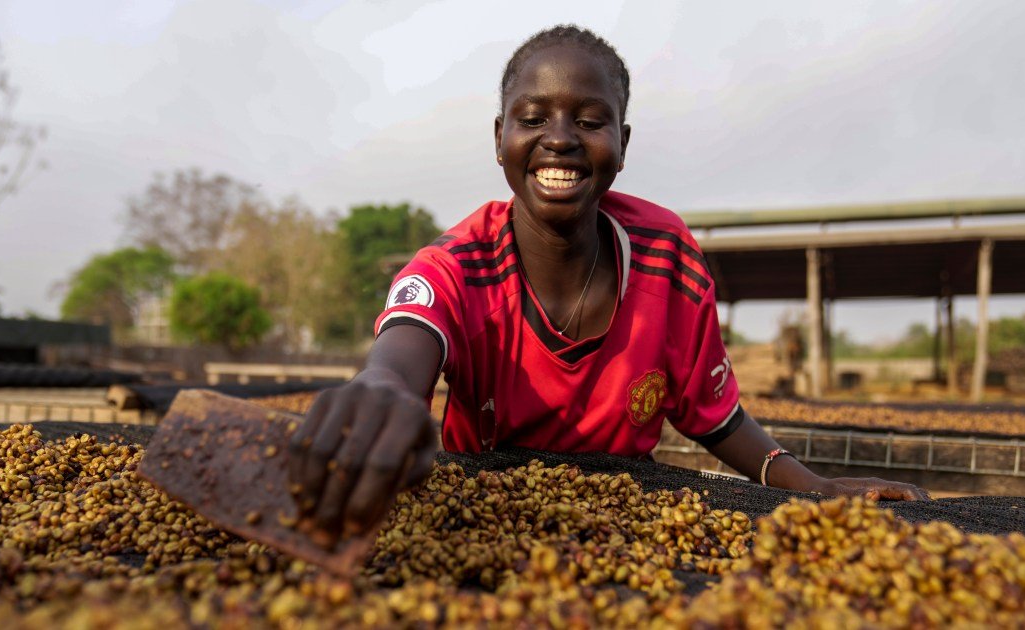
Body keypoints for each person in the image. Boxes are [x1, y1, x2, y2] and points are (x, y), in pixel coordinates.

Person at [289, 25, 929, 546]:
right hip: (477, 518)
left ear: (621, 145)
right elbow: (401, 354)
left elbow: (714, 414)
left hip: (628, 522)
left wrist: (808, 483)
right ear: (500, 139)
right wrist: (379, 391)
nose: (560, 139)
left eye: (590, 121)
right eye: (532, 118)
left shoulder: (667, 257)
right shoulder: (457, 264)